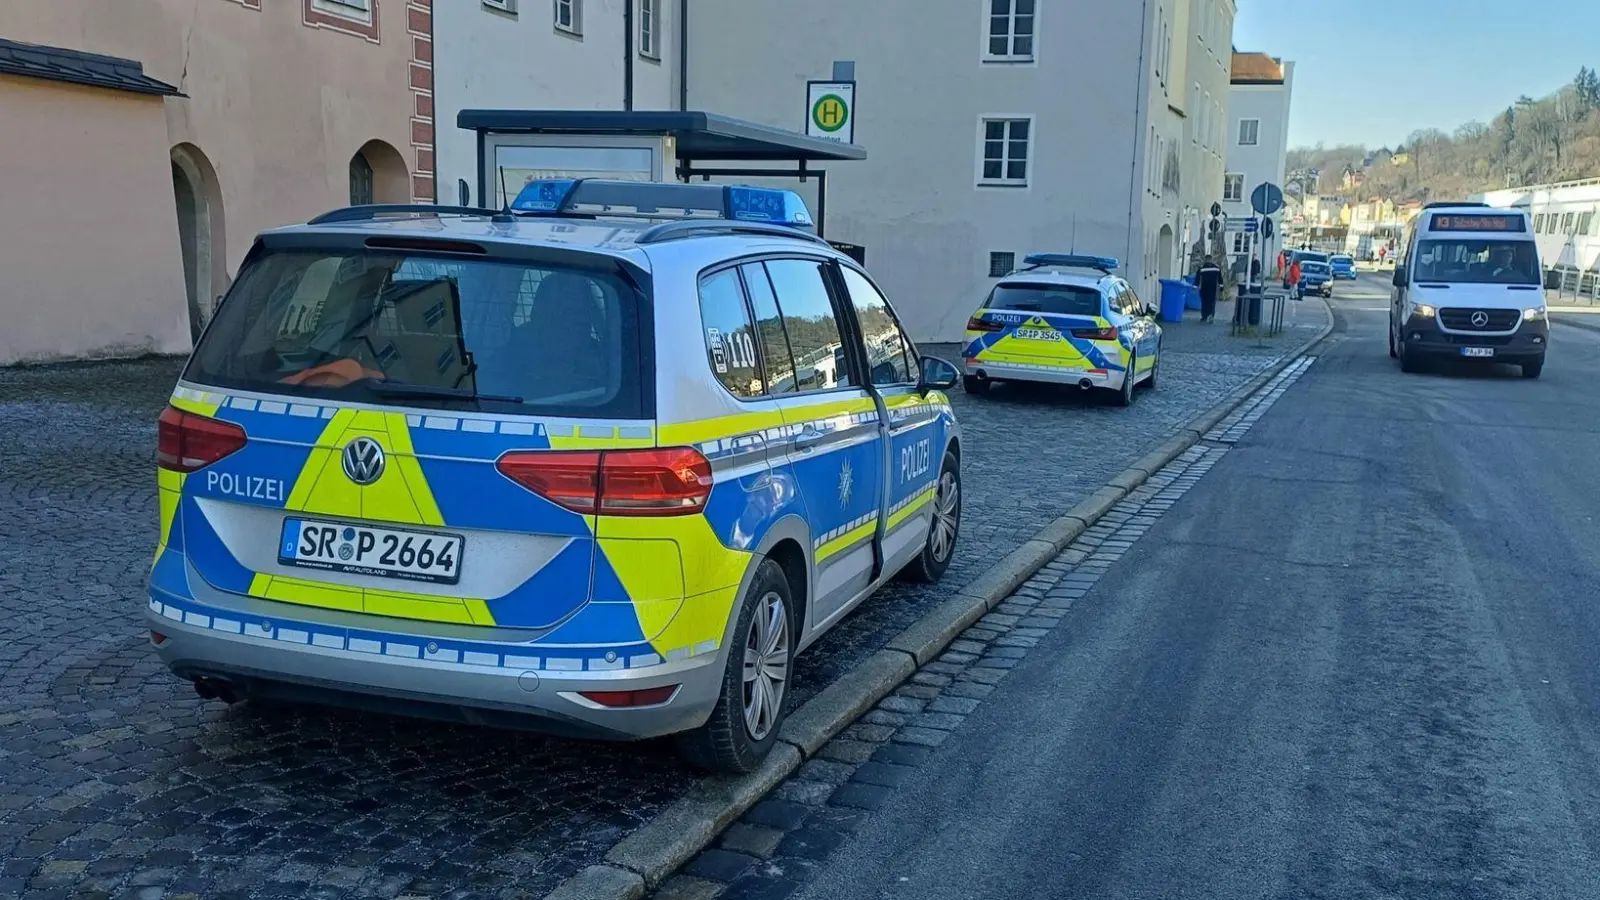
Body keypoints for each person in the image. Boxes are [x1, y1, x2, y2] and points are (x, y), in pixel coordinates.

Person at [1196, 256, 1223, 323]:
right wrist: (1221, 287)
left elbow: (1197, 278)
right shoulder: (1216, 268)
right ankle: (1211, 315)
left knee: (1204, 302)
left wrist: (1195, 286)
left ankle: (1204, 316)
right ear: (1211, 259)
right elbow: (1220, 278)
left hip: (1204, 287)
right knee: (1212, 302)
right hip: (1212, 288)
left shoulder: (1202, 267)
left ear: (1205, 259)